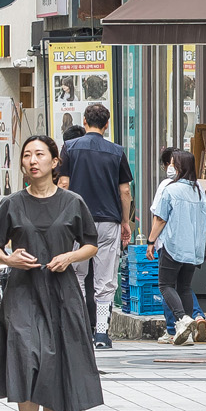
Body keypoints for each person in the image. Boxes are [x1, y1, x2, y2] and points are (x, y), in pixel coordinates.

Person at [0, 135, 103, 411]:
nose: (33, 160)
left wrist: (70, 256)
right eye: (27, 155)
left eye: (40, 154)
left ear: (54, 162)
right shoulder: (12, 203)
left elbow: (91, 244)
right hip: (23, 291)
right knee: (25, 356)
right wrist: (10, 259)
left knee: (54, 364)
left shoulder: (73, 201)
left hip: (62, 293)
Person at [55, 102, 131, 348]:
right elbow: (125, 191)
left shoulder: (70, 147)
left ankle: (79, 330)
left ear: (85, 122)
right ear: (106, 125)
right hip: (108, 221)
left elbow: (63, 183)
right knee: (105, 278)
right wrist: (125, 221)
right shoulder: (117, 151)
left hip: (77, 220)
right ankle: (101, 334)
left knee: (77, 274)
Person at [146, 148, 206, 346]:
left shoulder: (170, 190)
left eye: (173, 163)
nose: (170, 167)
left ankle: (182, 319)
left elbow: (160, 219)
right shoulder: (198, 190)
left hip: (173, 245)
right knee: (185, 287)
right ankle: (187, 333)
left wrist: (150, 241)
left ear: (181, 166)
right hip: (193, 247)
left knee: (165, 285)